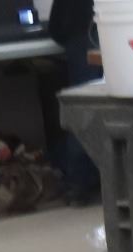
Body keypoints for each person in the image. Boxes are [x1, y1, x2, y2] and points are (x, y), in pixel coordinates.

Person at [47, 0, 99, 203]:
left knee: (83, 110)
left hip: (83, 36)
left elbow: (57, 27)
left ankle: (79, 183)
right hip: (115, 30)